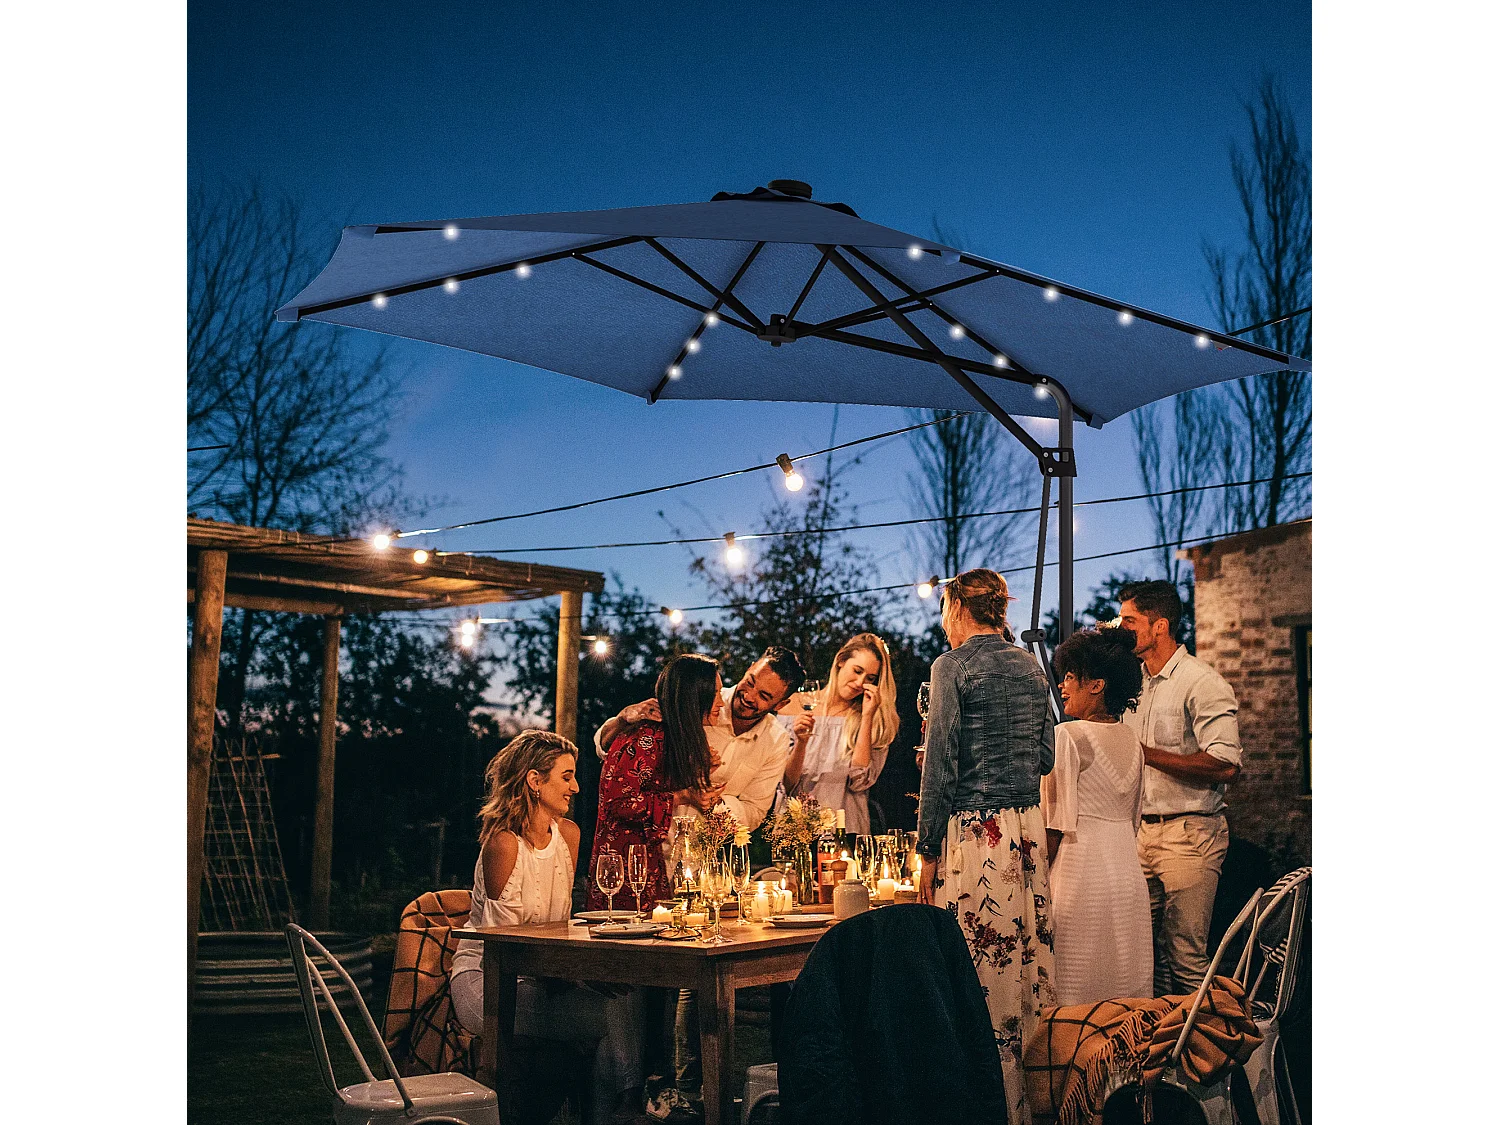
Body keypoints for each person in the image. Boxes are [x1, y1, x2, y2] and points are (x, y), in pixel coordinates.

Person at [596, 647, 806, 1119]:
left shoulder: (775, 741)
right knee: (655, 971)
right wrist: (623, 718)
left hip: (703, 855)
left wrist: (712, 806)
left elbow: (753, 810)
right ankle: (650, 1085)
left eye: (764, 696)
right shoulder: (703, 697)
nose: (746, 697)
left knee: (693, 972)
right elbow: (616, 751)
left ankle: (681, 1085)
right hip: (653, 851)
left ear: (780, 703)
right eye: (750, 682)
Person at [916, 568, 1057, 1125]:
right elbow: (1045, 756)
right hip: (1026, 833)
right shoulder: (1031, 665)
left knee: (979, 972)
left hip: (978, 837)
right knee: (1026, 966)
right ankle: (1035, 1101)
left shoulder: (952, 666)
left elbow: (942, 764)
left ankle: (986, 1106)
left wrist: (927, 848)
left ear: (956, 608)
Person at [448, 730, 643, 1122]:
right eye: (566, 776)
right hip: (487, 980)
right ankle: (617, 1110)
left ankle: (606, 1110)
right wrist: (575, 977)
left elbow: (560, 925)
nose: (576, 786)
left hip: (541, 977)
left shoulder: (568, 835)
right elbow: (505, 948)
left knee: (622, 1001)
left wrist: (583, 971)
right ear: (535, 781)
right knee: (605, 1017)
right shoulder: (504, 844)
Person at [1117, 579, 1243, 996]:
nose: (1122, 628)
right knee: (1140, 955)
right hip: (1140, 835)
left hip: (1191, 835)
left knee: (1185, 955)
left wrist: (1145, 754)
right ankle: (1157, 1055)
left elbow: (1225, 765)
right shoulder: (1131, 685)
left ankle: (1207, 1057)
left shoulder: (1201, 682)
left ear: (1160, 626)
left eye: (1130, 620)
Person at [1041, 626, 1153, 1005]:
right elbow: (1133, 819)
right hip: (1127, 877)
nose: (1063, 686)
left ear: (1097, 685)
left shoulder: (1068, 737)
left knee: (1075, 992)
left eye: (1071, 676)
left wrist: (1035, 883)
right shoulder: (1133, 743)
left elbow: (1055, 824)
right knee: (1124, 988)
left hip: (1080, 874)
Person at [588, 653, 725, 912]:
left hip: (651, 863)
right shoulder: (646, 736)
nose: (721, 703)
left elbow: (656, 786)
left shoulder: (674, 739)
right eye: (715, 693)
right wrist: (684, 796)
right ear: (695, 697)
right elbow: (619, 803)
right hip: (626, 872)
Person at [779, 632, 899, 836]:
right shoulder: (792, 706)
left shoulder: (871, 720)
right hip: (795, 831)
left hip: (845, 831)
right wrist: (801, 742)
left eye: (870, 678)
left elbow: (860, 781)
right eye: (857, 670)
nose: (861, 682)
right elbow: (785, 784)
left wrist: (868, 716)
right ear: (841, 661)